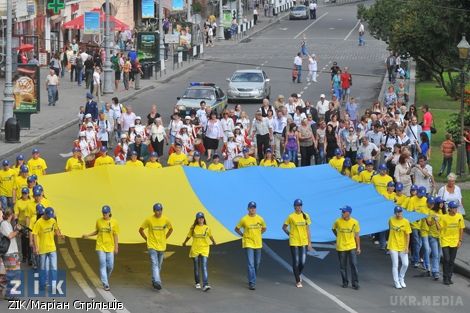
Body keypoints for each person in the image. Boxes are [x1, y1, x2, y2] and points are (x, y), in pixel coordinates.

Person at [82, 205, 119, 291]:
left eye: (106, 213)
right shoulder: (99, 221)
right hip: (100, 246)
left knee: (110, 266)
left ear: (109, 213)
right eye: (103, 212)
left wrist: (116, 247)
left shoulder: (114, 222)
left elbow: (115, 235)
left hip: (110, 246)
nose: (104, 214)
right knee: (103, 264)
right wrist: (88, 235)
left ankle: (105, 277)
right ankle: (105, 283)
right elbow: (97, 231)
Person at [139, 203, 173, 290]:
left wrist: (165, 237)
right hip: (152, 245)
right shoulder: (149, 220)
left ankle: (154, 280)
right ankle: (158, 281)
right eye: (157, 210)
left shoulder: (165, 220)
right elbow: (141, 229)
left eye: (160, 210)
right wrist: (146, 238)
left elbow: (171, 229)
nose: (159, 212)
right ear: (154, 211)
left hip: (162, 246)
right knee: (154, 263)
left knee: (159, 265)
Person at [235, 201, 267, 291]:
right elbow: (236, 228)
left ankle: (252, 276)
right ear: (248, 209)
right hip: (248, 243)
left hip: (258, 243)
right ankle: (252, 282)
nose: (252, 209)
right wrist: (242, 235)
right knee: (251, 264)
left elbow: (264, 228)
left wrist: (259, 233)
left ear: (255, 209)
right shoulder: (244, 219)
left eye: (254, 208)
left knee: (257, 263)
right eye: (251, 208)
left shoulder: (260, 219)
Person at [282, 199, 313, 288]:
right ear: (294, 206)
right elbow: (284, 227)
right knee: (296, 262)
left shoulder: (305, 216)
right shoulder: (291, 216)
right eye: (297, 205)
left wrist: (309, 243)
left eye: (300, 205)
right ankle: (298, 281)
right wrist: (289, 234)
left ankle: (298, 274)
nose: (299, 207)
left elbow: (308, 230)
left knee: (302, 262)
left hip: (303, 241)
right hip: (294, 241)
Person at [182, 212, 217, 291]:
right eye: (199, 218)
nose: (201, 219)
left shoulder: (207, 228)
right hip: (195, 249)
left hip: (204, 249)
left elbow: (210, 236)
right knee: (196, 267)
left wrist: (214, 242)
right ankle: (197, 282)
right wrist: (184, 242)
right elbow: (189, 236)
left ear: (204, 219)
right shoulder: (193, 227)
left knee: (204, 266)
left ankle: (205, 284)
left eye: (202, 218)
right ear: (197, 219)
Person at [32, 207, 63, 289]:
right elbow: (34, 234)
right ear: (45, 213)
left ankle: (54, 284)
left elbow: (56, 230)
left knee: (54, 267)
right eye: (48, 215)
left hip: (52, 248)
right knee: (43, 267)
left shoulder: (53, 220)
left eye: (51, 216)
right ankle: (43, 283)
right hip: (42, 249)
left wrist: (60, 235)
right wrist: (36, 247)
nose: (50, 217)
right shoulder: (39, 222)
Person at [332, 206, 360, 290]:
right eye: (342, 211)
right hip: (341, 246)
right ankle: (345, 282)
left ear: (348, 213)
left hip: (351, 246)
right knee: (342, 266)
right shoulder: (337, 221)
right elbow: (333, 229)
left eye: (344, 212)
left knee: (354, 265)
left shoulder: (355, 222)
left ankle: (355, 283)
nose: (342, 213)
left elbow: (357, 235)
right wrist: (338, 237)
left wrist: (358, 247)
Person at [438, 201, 465, 285]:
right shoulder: (444, 217)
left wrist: (460, 240)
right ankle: (445, 277)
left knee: (451, 261)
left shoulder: (459, 216)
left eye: (456, 208)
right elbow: (439, 228)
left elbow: (461, 229)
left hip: (455, 241)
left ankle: (449, 277)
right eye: (453, 208)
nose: (455, 209)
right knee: (446, 259)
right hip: (445, 240)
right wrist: (436, 221)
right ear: (449, 208)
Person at [387, 206, 411, 289]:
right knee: (395, 264)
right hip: (393, 245)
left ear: (402, 212)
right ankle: (396, 282)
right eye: (397, 212)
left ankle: (401, 278)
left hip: (402, 245)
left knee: (405, 264)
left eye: (400, 212)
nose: (398, 213)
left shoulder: (406, 222)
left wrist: (407, 247)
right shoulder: (391, 219)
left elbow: (408, 235)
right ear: (395, 213)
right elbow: (390, 228)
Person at [0, 209, 21, 299]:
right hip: (9, 253)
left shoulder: (9, 224)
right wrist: (17, 230)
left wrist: (18, 231)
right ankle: (9, 294)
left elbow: (13, 236)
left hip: (13, 252)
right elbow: (10, 236)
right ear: (11, 215)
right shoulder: (4, 224)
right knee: (12, 274)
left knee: (15, 273)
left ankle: (11, 293)